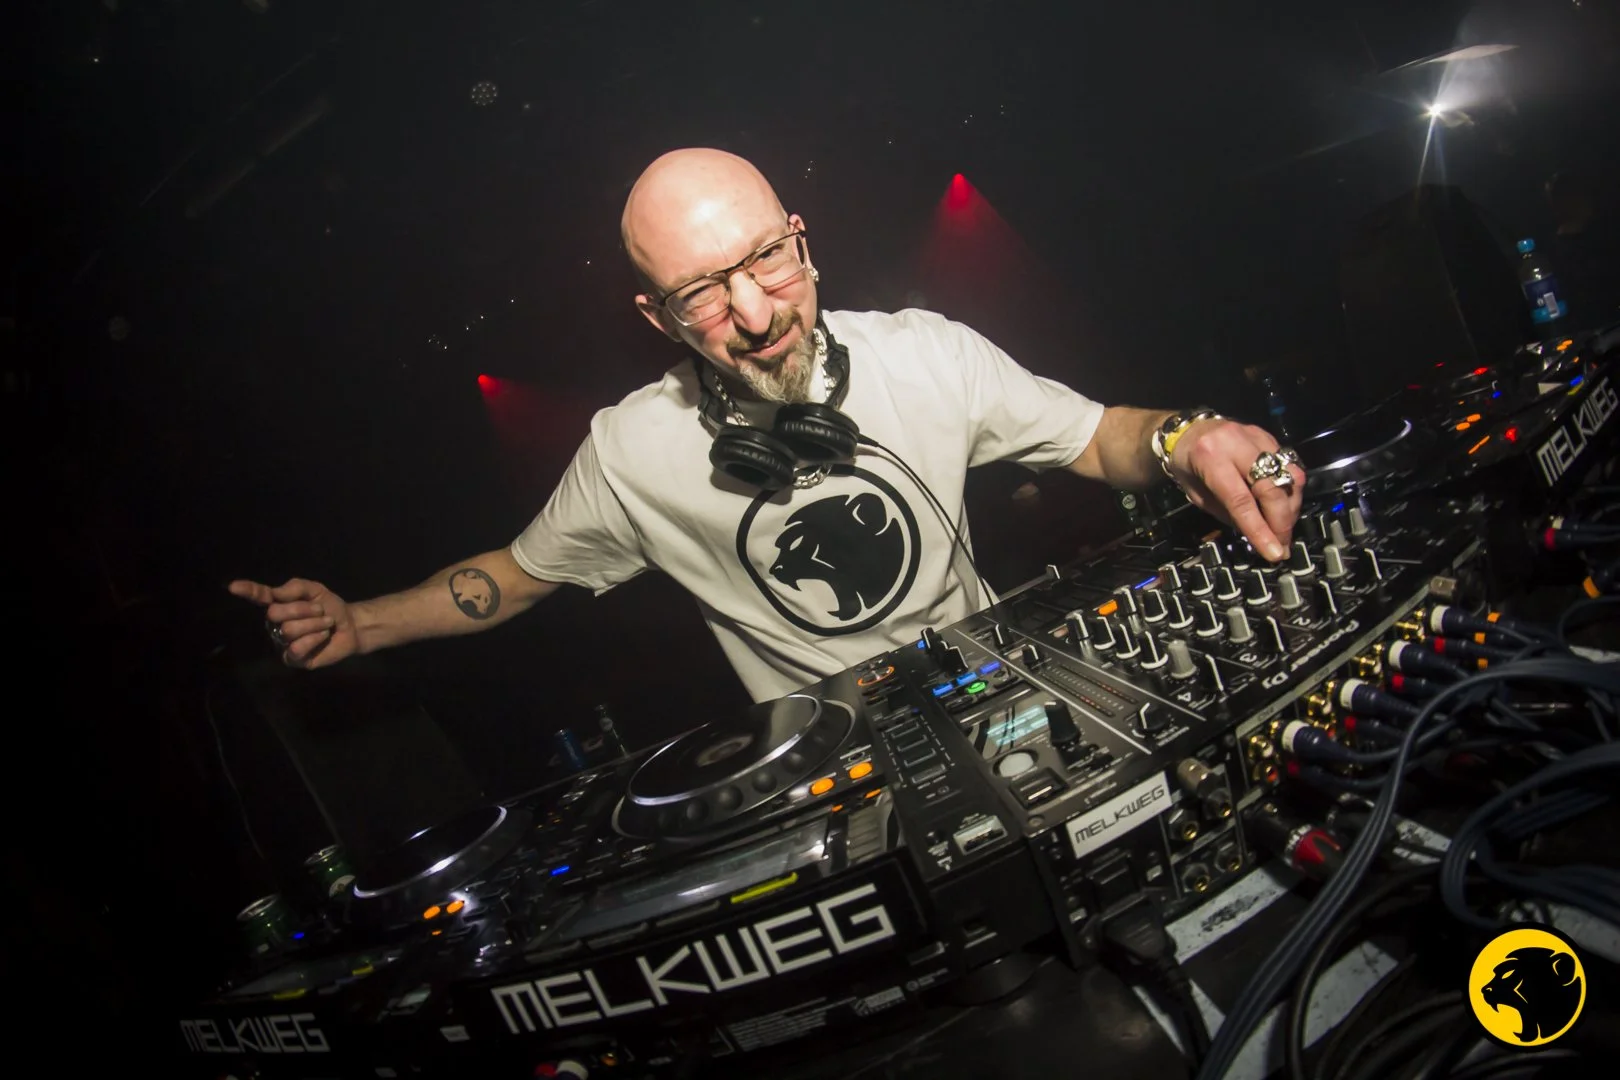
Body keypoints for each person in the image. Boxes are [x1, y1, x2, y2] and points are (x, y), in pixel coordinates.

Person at [229, 148, 1305, 703]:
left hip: (1006, 695)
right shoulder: (632, 452)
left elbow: (1101, 438)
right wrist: (360, 624)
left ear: (803, 239)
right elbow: (512, 577)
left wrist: (1187, 436)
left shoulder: (926, 353)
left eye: (765, 260)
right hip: (831, 775)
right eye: (701, 293)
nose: (753, 315)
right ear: (655, 316)